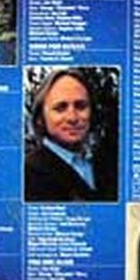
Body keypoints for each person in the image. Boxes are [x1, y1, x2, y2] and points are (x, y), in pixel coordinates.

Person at [25, 69, 118, 202]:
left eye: (81, 106)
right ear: (40, 118)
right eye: (60, 108)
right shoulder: (29, 174)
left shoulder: (107, 163)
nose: (72, 118)